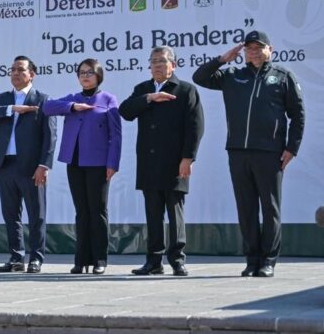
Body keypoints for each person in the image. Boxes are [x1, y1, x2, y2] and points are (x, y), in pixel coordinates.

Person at [193, 30, 304, 278]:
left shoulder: (283, 76)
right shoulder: (233, 75)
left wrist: (291, 148)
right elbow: (199, 77)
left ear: (270, 50)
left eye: (258, 47)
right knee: (246, 208)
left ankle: (268, 261)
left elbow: (298, 114)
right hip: (238, 152)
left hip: (270, 152)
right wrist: (223, 59)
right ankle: (252, 259)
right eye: (249, 48)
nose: (253, 51)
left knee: (270, 207)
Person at [120, 46, 204, 277]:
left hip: (175, 162)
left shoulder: (186, 90)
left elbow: (195, 127)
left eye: (162, 61)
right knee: (153, 214)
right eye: (153, 61)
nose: (157, 65)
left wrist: (188, 158)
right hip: (148, 162)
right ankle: (154, 261)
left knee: (175, 212)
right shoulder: (143, 89)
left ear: (173, 65)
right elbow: (125, 111)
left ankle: (177, 259)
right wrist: (149, 98)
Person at [43, 58, 122, 275]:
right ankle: (81, 260)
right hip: (75, 163)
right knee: (81, 212)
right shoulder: (73, 98)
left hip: (98, 164)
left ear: (99, 75)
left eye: (90, 72)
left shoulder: (108, 99)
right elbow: (47, 107)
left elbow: (115, 135)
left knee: (97, 211)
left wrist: (112, 163)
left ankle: (100, 259)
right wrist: (72, 107)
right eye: (81, 73)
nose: (85, 76)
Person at [0, 56, 56, 274]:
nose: (15, 73)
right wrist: (11, 109)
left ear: (31, 74)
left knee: (36, 213)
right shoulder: (3, 99)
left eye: (20, 70)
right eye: (12, 69)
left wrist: (44, 165)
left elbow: (50, 137)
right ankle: (16, 257)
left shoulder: (42, 99)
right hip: (5, 163)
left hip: (32, 166)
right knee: (11, 213)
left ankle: (36, 258)